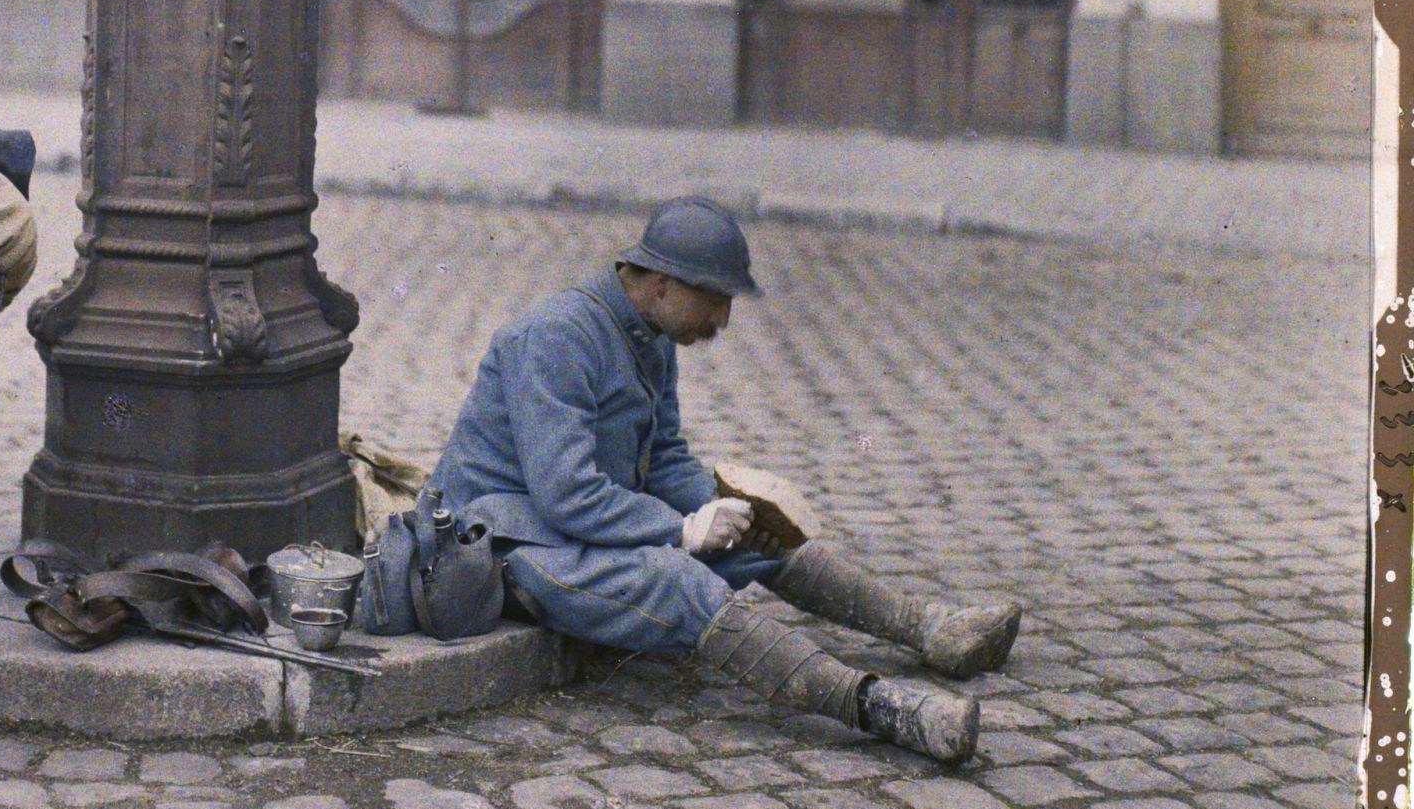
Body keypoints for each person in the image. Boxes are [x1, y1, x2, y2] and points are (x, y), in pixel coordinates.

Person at [426, 196, 1020, 764]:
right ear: (660, 283)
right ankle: (880, 707)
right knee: (675, 578)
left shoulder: (649, 335)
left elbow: (662, 457)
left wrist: (729, 509)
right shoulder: (557, 337)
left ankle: (928, 628)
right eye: (714, 299)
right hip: (498, 547)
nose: (723, 320)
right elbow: (566, 494)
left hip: (566, 529)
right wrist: (683, 529)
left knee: (757, 537)